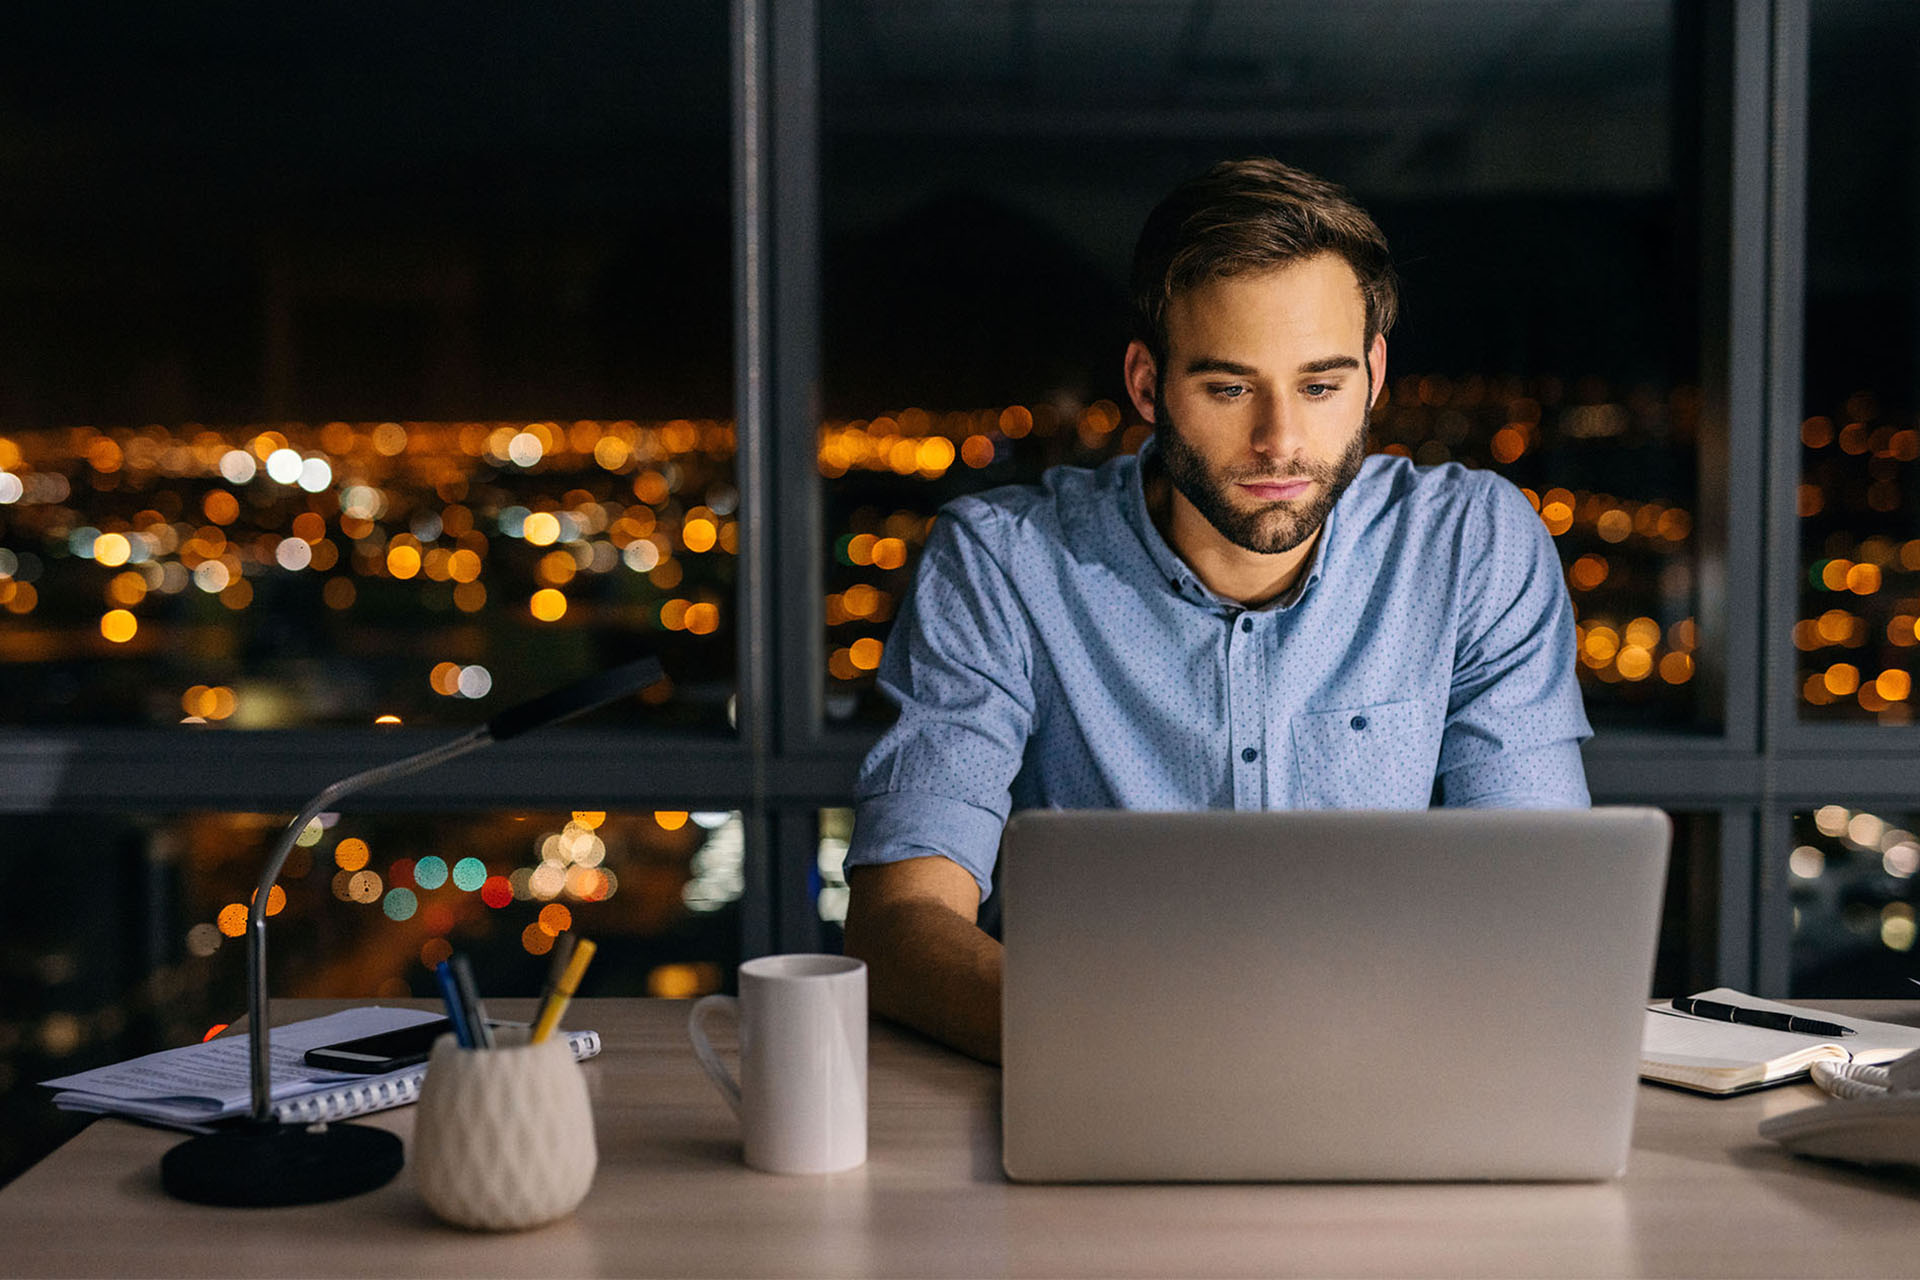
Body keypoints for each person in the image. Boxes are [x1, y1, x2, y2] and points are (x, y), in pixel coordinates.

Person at [840, 157, 1591, 1063]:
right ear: (1148, 384)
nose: (1280, 439)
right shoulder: (1002, 563)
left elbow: (1537, 912)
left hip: (1383, 1075)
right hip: (1085, 1076)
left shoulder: (1473, 545)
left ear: (1375, 373)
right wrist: (1125, 1053)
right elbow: (903, 920)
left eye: (1320, 387)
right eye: (1230, 389)